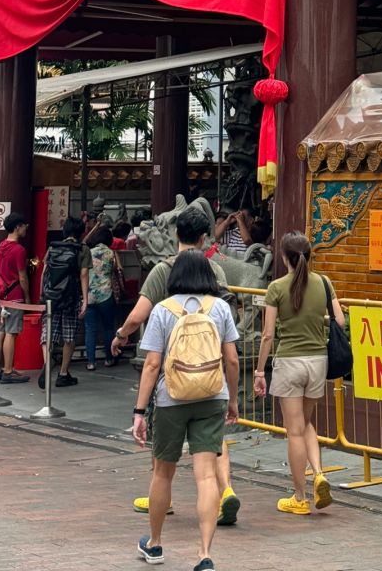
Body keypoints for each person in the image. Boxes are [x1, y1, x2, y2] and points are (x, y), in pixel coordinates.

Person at [112, 204, 239, 527]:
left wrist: (121, 334)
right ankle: (224, 491)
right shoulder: (216, 271)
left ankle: (160, 503)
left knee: (164, 449)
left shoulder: (162, 271)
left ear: (174, 233)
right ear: (203, 237)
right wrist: (233, 396)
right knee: (211, 442)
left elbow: (139, 316)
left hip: (173, 380)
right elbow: (232, 347)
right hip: (211, 378)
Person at [133, 251, 239, 571]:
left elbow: (152, 364)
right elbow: (232, 360)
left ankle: (155, 544)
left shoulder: (163, 311)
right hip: (211, 396)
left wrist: (139, 410)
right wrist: (232, 399)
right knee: (206, 476)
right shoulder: (219, 307)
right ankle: (204, 554)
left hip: (171, 399)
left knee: (163, 472)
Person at [254, 231, 343, 516]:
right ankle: (318, 474)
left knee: (293, 431)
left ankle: (300, 497)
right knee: (305, 423)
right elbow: (340, 320)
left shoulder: (277, 287)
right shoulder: (325, 283)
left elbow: (268, 335)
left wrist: (259, 370)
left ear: (283, 257)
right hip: (318, 362)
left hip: (289, 362)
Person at [40, 215, 90, 389]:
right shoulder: (82, 249)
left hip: (51, 297)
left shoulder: (54, 247)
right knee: (69, 336)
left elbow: (44, 271)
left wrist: (43, 294)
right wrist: (85, 299)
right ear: (81, 232)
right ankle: (62, 373)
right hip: (71, 296)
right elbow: (83, 274)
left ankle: (47, 363)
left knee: (48, 332)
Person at [0, 211, 30, 385]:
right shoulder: (19, 250)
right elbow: (22, 276)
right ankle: (8, 371)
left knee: (1, 331)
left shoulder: (1, 246)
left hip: (1, 294)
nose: (25, 229)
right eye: (24, 226)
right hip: (15, 295)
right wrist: (28, 298)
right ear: (17, 227)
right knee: (11, 332)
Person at [83, 224, 119, 370]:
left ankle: (91, 362)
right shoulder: (111, 253)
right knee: (108, 327)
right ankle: (109, 358)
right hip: (106, 294)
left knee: (90, 329)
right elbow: (115, 271)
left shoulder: (89, 252)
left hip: (89, 295)